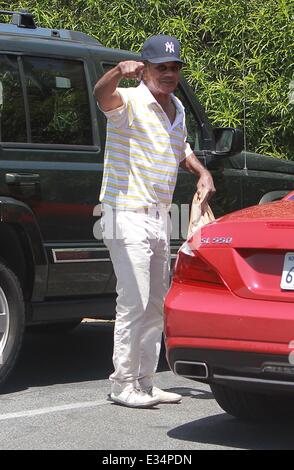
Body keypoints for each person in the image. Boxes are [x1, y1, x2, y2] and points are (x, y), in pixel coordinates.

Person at [94, 34, 215, 408]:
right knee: (134, 300)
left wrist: (200, 172)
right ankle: (122, 383)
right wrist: (117, 70)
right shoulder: (128, 100)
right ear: (144, 69)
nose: (169, 74)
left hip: (160, 216)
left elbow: (180, 148)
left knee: (156, 302)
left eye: (174, 67)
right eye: (162, 67)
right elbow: (101, 96)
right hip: (125, 212)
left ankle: (145, 381)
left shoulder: (175, 107)